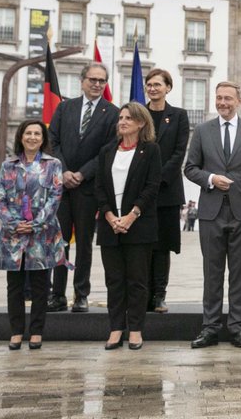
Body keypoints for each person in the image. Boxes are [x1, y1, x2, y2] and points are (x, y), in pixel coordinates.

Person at [184, 81, 241, 349]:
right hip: (211, 213)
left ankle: (237, 327)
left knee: (239, 273)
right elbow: (190, 168)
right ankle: (209, 328)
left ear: (238, 101)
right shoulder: (202, 131)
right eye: (219, 98)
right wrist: (210, 178)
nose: (223, 102)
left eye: (228, 98)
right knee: (212, 273)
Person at [0, 119, 67, 350]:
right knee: (15, 285)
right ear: (21, 137)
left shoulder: (53, 164)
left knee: (41, 285)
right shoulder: (8, 165)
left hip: (42, 235)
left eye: (37, 134)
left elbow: (55, 197)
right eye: (28, 133)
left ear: (43, 139)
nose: (32, 137)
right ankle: (15, 332)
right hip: (12, 236)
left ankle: (36, 332)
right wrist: (14, 223)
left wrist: (34, 224)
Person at [46, 61, 118, 312]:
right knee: (60, 241)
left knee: (85, 243)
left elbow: (108, 150)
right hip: (62, 187)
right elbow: (52, 141)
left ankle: (81, 294)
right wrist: (64, 170)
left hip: (88, 188)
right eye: (92, 80)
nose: (97, 84)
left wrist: (82, 173)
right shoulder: (65, 108)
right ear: (82, 80)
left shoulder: (113, 113)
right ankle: (57, 295)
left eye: (102, 81)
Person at [95, 102, 162, 351]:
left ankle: (135, 329)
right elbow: (99, 188)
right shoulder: (106, 151)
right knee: (114, 280)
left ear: (141, 123)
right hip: (110, 225)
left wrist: (131, 215)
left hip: (139, 225)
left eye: (128, 118)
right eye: (120, 117)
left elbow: (152, 187)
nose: (122, 121)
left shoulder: (151, 150)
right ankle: (115, 329)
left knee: (137, 280)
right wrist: (111, 216)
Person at [143, 68, 190, 314]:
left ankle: (159, 295)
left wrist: (157, 178)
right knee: (142, 245)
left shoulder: (179, 116)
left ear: (168, 88)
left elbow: (179, 153)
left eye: (158, 84)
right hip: (139, 192)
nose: (153, 88)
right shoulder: (138, 114)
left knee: (162, 246)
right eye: (149, 84)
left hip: (166, 191)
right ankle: (143, 295)